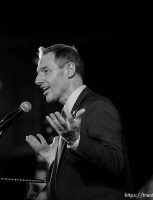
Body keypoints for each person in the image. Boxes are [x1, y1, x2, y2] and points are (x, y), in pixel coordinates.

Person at [25, 44, 132, 200]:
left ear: (69, 70)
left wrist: (76, 141)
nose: (37, 80)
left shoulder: (97, 105)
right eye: (38, 73)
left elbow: (115, 162)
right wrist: (54, 160)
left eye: (45, 71)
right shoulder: (70, 114)